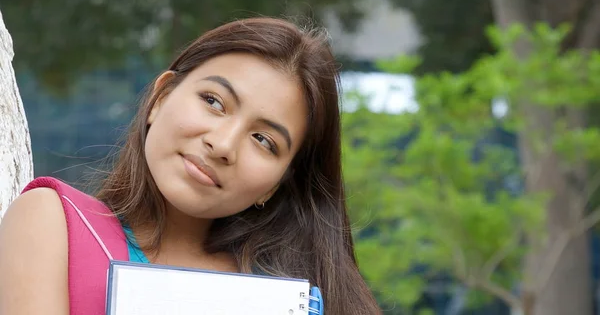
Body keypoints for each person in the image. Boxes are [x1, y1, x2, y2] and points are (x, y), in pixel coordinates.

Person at [0, 17, 381, 315]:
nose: (222, 144)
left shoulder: (291, 296)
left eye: (264, 141)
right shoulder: (56, 223)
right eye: (214, 101)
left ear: (277, 183)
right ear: (161, 97)